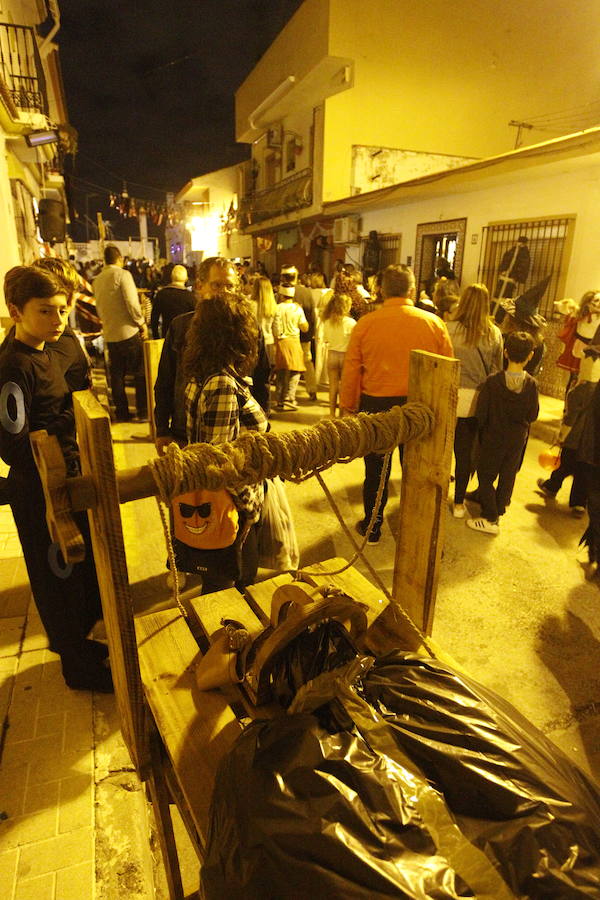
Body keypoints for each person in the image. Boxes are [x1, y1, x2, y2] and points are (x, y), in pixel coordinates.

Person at [0, 266, 112, 692]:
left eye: (62, 310)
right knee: (56, 579)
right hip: (38, 490)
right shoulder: (13, 365)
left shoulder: (45, 350)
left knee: (77, 575)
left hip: (64, 477)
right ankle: (76, 666)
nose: (58, 320)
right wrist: (72, 417)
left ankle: (80, 647)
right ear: (16, 312)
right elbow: (12, 445)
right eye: (45, 311)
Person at [340, 264, 453, 543]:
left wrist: (348, 407)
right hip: (420, 408)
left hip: (375, 406)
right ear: (412, 290)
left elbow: (352, 370)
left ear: (380, 291)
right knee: (416, 471)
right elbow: (449, 370)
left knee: (376, 471)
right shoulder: (433, 323)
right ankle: (415, 530)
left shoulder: (366, 324)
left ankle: (373, 526)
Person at [183, 293, 268, 594]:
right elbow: (221, 462)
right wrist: (249, 509)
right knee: (230, 589)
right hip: (230, 506)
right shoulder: (221, 383)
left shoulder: (201, 375)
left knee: (219, 583)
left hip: (222, 502)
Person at [153, 256, 270, 455]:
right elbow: (165, 380)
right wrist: (162, 429)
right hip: (185, 434)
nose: (224, 292)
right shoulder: (181, 326)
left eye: (230, 286)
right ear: (200, 286)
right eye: (217, 285)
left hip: (239, 435)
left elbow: (261, 379)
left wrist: (263, 426)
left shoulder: (250, 329)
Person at [467, 332, 539, 535]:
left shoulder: (493, 382)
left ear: (505, 353)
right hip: (516, 439)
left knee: (486, 475)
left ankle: (490, 517)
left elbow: (481, 414)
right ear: (530, 355)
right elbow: (533, 415)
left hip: (493, 437)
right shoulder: (532, 385)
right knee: (508, 474)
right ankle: (499, 507)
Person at [446, 284, 504, 518]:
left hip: (448, 396)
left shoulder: (448, 328)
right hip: (476, 402)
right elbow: (497, 371)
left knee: (440, 451)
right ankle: (459, 503)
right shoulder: (494, 334)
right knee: (465, 455)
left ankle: (435, 495)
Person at [536, 345, 600, 515]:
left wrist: (561, 436)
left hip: (574, 439)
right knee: (582, 472)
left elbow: (570, 419)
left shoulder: (578, 391)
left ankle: (551, 486)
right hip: (591, 442)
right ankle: (579, 504)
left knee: (565, 464)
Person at [93, 245, 148, 422]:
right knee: (140, 373)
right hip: (128, 332)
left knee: (117, 376)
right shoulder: (123, 275)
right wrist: (141, 324)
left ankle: (122, 413)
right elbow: (132, 303)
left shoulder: (97, 280)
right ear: (119, 259)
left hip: (109, 334)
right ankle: (143, 411)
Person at [280, 265, 318, 401]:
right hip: (304, 335)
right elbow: (312, 315)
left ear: (284, 277)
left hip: (287, 337)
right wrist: (311, 333)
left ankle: (286, 394)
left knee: (288, 365)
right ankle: (312, 390)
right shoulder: (307, 292)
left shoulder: (282, 292)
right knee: (307, 362)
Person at [272, 284, 308, 410]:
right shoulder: (297, 309)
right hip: (294, 342)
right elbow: (305, 328)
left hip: (281, 341)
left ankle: (279, 400)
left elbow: (274, 328)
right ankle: (290, 397)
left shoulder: (276, 308)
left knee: (281, 372)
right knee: (295, 371)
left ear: (281, 295)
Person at [320, 291, 356, 417]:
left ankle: (331, 413)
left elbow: (325, 339)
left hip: (332, 354)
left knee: (333, 385)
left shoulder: (327, 322)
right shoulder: (351, 323)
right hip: (345, 355)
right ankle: (342, 411)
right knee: (344, 386)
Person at [150, 264, 194, 339]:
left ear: (172, 277)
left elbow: (154, 317)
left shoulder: (161, 294)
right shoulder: (190, 297)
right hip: (186, 337)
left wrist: (156, 336)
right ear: (186, 279)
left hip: (167, 335)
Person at [495, 235, 531, 301]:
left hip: (509, 278)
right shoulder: (517, 252)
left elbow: (522, 266)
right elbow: (524, 266)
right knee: (503, 297)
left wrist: (504, 271)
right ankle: (498, 309)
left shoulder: (517, 251)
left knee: (502, 296)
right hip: (509, 278)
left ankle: (498, 309)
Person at [251, 275, 277, 366]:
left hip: (254, 343)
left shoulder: (250, 306)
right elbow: (276, 330)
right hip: (269, 343)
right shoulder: (273, 307)